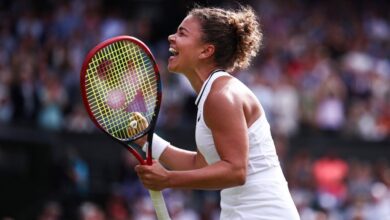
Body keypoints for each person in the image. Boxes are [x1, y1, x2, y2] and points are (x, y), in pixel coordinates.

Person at [134, 5, 300, 219]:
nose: (171, 37)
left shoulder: (220, 96)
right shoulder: (212, 94)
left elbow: (235, 171)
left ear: (206, 50)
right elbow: (200, 165)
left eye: (182, 33)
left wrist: (168, 179)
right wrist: (147, 141)